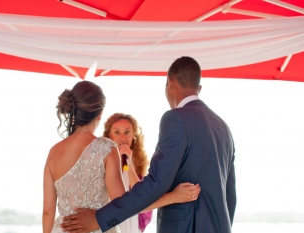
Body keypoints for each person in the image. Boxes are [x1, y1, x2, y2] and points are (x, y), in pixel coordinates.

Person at [60, 56, 237, 233]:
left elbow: (156, 184)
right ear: (199, 88)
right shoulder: (223, 128)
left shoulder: (175, 118)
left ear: (170, 82)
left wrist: (99, 218)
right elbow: (230, 197)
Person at [42, 80, 201, 233]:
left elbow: (48, 211)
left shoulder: (53, 153)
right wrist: (173, 196)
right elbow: (125, 204)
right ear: (100, 113)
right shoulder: (107, 148)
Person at [103, 113, 152, 233]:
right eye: (117, 132)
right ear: (109, 135)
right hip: (110, 221)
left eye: (127, 132)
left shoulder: (138, 163)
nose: (123, 137)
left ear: (133, 136)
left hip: (131, 223)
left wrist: (129, 165)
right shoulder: (101, 160)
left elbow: (141, 196)